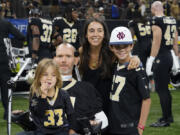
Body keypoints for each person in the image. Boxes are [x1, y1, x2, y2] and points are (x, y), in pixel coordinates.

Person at [79, 18, 140, 116]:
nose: (95, 34)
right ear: (86, 35)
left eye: (99, 30)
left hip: (110, 107)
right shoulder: (81, 53)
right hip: (88, 107)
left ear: (104, 34)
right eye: (91, 31)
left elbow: (128, 57)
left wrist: (135, 58)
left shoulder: (111, 52)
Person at [54, 43, 108, 134]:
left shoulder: (87, 89)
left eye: (68, 56)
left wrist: (90, 126)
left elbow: (103, 120)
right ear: (54, 60)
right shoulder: (43, 87)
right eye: (60, 56)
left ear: (76, 60)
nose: (63, 60)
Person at [108, 26, 151, 135]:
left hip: (129, 126)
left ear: (131, 45)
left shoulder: (136, 69)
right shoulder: (114, 65)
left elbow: (146, 99)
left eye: (125, 46)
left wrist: (141, 127)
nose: (122, 49)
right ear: (111, 47)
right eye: (117, 47)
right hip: (114, 124)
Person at [17, 58, 77, 135]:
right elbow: (38, 113)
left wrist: (72, 130)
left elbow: (71, 115)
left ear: (57, 78)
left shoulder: (63, 94)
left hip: (61, 131)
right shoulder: (35, 94)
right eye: (45, 75)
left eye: (53, 75)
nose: (49, 78)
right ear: (38, 77)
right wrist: (43, 96)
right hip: (42, 132)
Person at [146, 1, 179, 127]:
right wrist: (176, 59)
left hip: (161, 56)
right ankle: (168, 117)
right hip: (169, 56)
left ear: (154, 9)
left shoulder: (155, 20)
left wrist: (150, 60)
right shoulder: (172, 19)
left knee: (161, 89)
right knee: (165, 89)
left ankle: (165, 119)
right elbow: (175, 42)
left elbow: (157, 41)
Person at [0, 13, 25, 120]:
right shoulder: (5, 23)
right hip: (3, 59)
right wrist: (9, 43)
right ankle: (8, 112)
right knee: (5, 87)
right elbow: (21, 36)